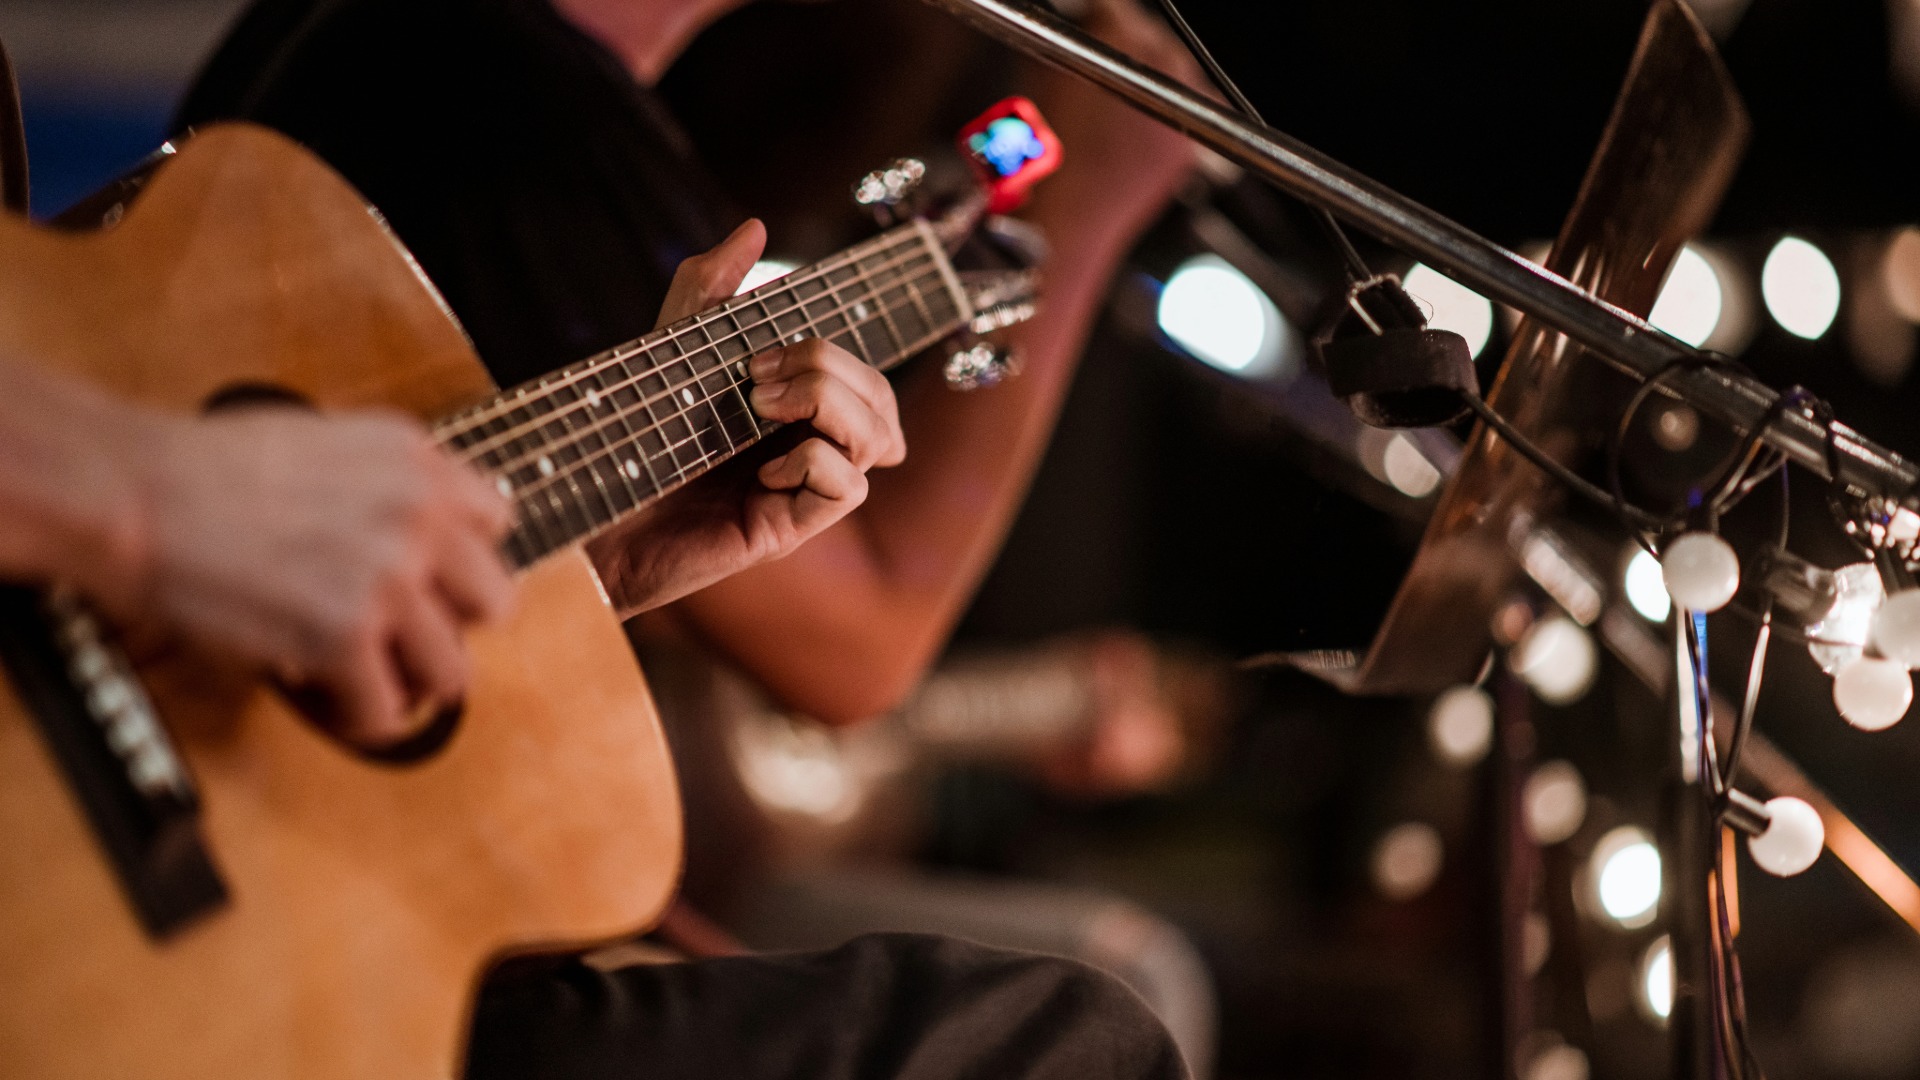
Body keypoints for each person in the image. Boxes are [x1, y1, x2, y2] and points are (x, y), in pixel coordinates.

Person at [177, 0, 1203, 726]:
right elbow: (858, 647)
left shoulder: (472, 55)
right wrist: (1078, 219)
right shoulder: (512, 105)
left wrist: (614, 568)